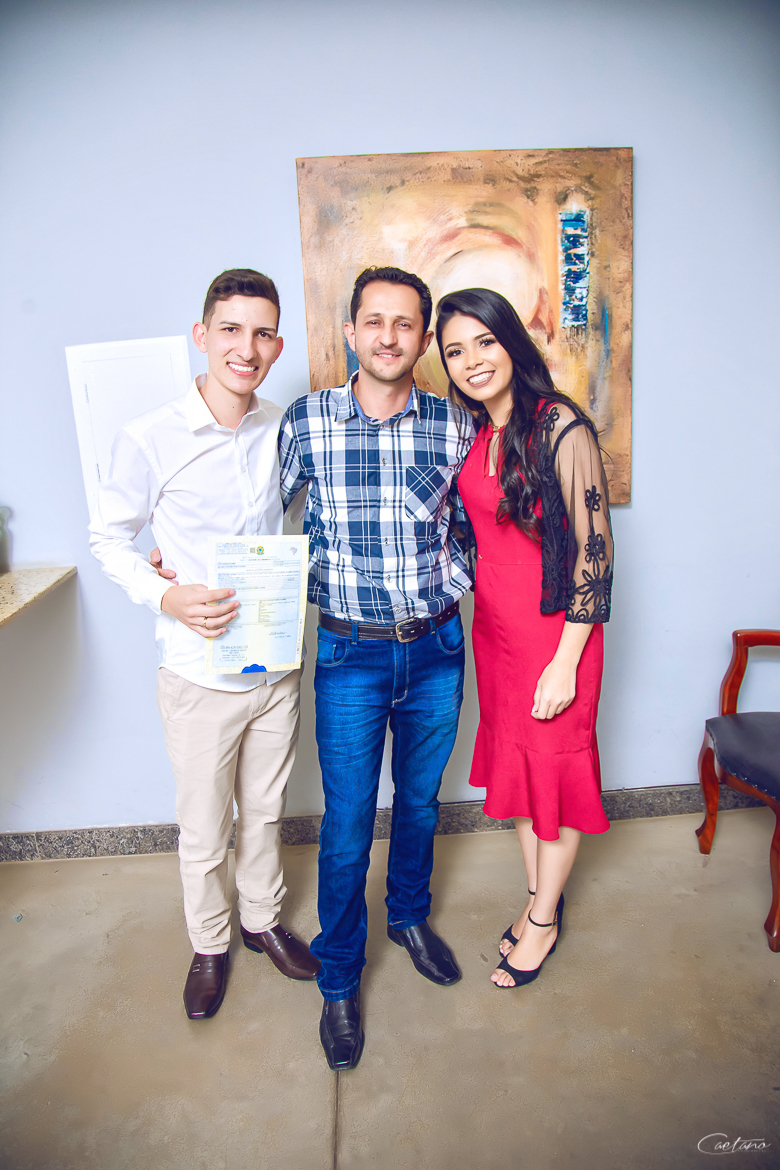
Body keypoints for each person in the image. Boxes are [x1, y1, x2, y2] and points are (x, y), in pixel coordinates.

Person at [90, 269, 319, 1021]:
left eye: (261, 334)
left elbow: (293, 519)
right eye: (230, 330)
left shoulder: (283, 425)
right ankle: (211, 944)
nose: (245, 348)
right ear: (202, 335)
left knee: (265, 812)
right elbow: (109, 537)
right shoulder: (149, 436)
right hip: (197, 673)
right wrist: (165, 593)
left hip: (273, 664)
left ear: (277, 345)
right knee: (204, 826)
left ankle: (262, 921)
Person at [278, 267, 475, 1069]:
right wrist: (177, 562)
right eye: (374, 321)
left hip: (435, 650)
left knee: (420, 804)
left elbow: (477, 530)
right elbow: (253, 516)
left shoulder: (455, 424)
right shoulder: (307, 421)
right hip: (349, 652)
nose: (388, 336)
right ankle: (338, 978)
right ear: (350, 331)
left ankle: (409, 916)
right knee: (348, 825)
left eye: (405, 324)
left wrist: (454, 588)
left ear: (423, 338)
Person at [436, 287, 613, 989]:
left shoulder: (560, 424)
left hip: (555, 634)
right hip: (497, 635)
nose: (472, 360)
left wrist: (566, 662)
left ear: (511, 341)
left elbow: (595, 551)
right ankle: (542, 897)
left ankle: (542, 920)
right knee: (517, 773)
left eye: (484, 341)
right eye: (455, 351)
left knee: (556, 778)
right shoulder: (478, 433)